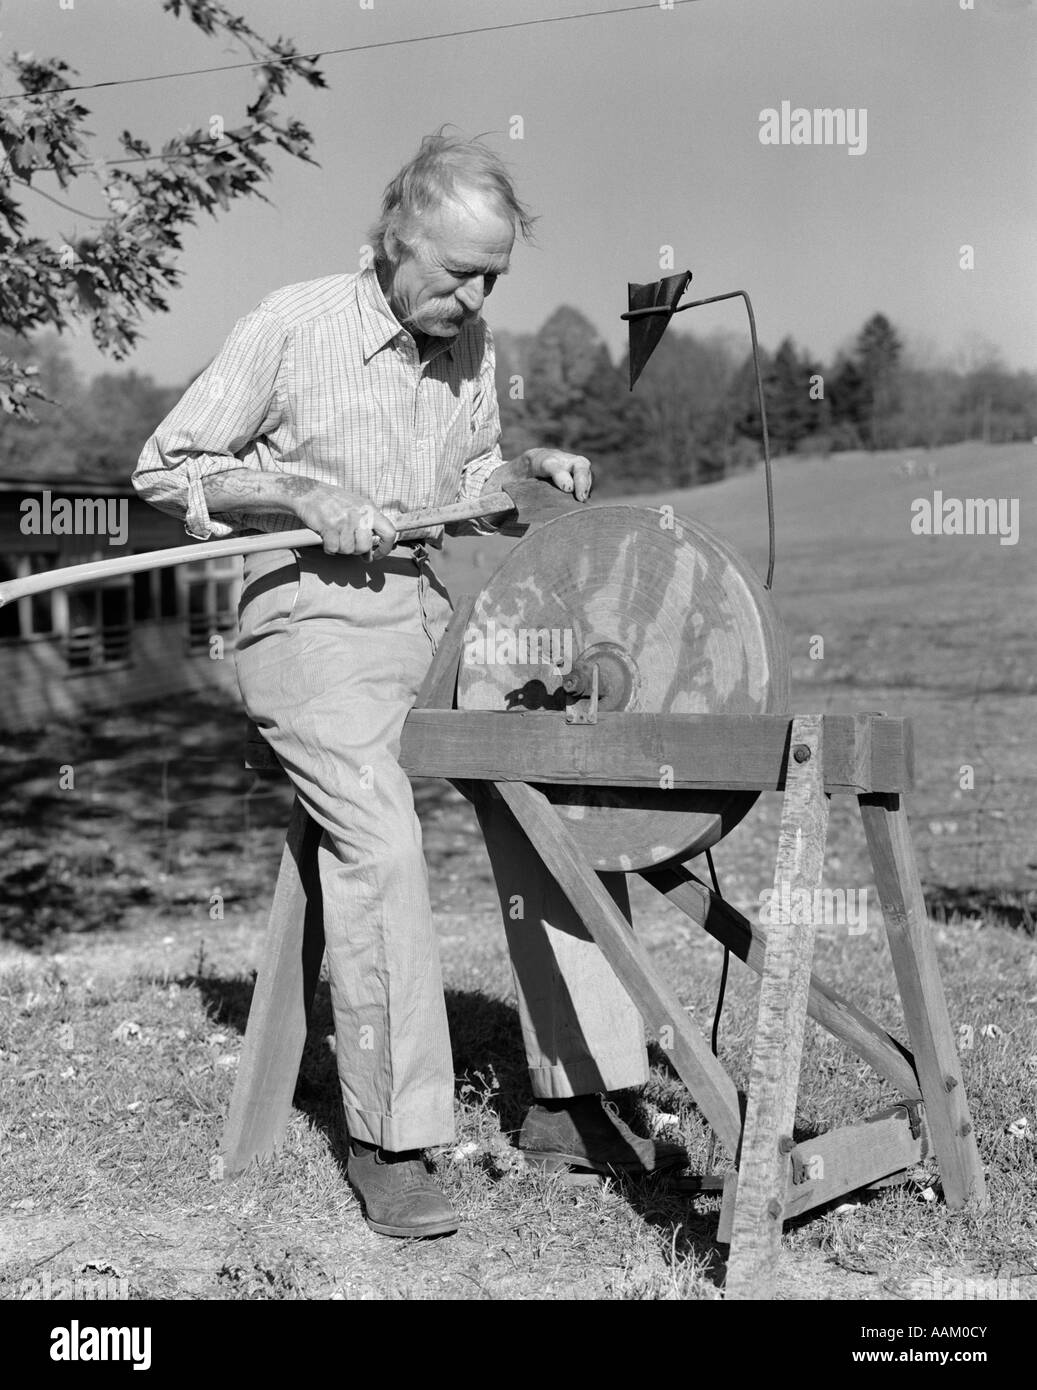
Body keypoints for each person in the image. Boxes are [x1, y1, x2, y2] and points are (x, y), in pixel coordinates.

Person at [134, 130, 682, 1240]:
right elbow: (165, 466)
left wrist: (521, 469)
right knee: (380, 841)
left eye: (492, 278)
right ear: (396, 238)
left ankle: (580, 1092)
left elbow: (460, 484)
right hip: (308, 618)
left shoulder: (471, 349)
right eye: (456, 271)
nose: (473, 296)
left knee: (545, 774)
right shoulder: (293, 326)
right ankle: (397, 1136)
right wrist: (296, 493)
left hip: (427, 612)